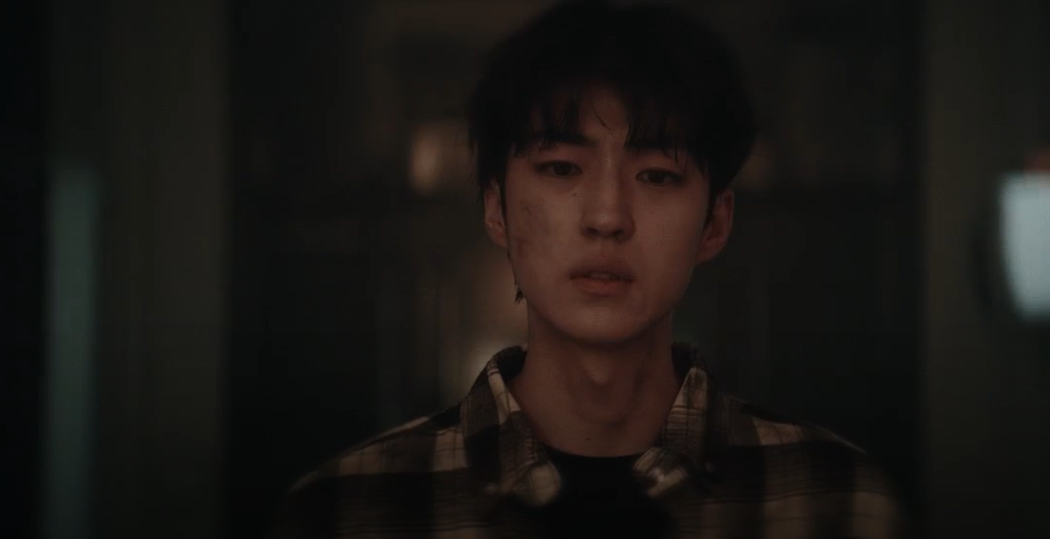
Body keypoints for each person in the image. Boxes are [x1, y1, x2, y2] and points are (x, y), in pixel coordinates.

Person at [271, 1, 903, 538]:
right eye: (561, 168)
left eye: (657, 176)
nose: (607, 216)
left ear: (714, 222)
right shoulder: (350, 509)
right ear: (496, 209)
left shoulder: (837, 503)